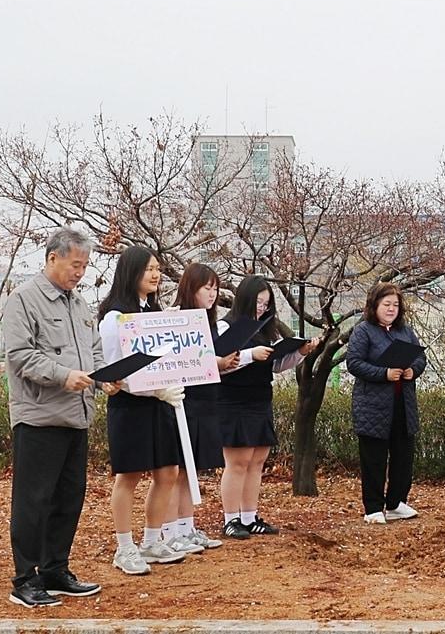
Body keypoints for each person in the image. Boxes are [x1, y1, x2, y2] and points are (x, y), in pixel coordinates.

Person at [4, 227, 110, 608]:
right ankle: (25, 578)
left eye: (84, 266)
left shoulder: (79, 304)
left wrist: (104, 379)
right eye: (75, 265)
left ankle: (55, 569)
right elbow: (20, 356)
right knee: (34, 500)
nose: (80, 273)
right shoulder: (24, 299)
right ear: (52, 257)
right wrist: (64, 376)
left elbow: (94, 351)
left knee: (69, 497)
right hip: (39, 417)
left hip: (76, 416)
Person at [96, 246, 193, 575]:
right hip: (130, 405)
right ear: (131, 272)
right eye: (149, 269)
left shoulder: (153, 312)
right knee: (130, 475)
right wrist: (155, 388)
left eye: (158, 269)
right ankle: (124, 547)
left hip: (160, 403)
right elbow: (117, 372)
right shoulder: (114, 318)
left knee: (167, 472)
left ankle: (152, 541)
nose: (156, 274)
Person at [216, 275, 319, 538]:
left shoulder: (265, 329)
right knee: (237, 461)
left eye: (266, 304)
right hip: (234, 400)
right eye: (258, 302)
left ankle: (249, 517)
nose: (262, 308)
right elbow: (219, 365)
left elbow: (275, 365)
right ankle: (231, 519)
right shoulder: (226, 326)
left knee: (257, 460)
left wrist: (300, 353)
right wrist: (251, 355)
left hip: (260, 398)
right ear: (245, 299)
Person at [168, 262, 237, 550]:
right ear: (190, 288)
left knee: (191, 470)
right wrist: (215, 363)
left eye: (215, 289)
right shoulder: (176, 319)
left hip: (208, 399)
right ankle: (169, 531)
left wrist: (227, 363)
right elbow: (179, 360)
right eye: (207, 288)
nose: (212, 294)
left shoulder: (211, 324)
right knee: (177, 471)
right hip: (184, 401)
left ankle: (186, 527)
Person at [347, 282, 427, 524]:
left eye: (395, 305)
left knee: (403, 456)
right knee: (374, 459)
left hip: (403, 403)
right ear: (375, 305)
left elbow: (420, 357)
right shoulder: (363, 331)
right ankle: (373, 507)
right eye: (386, 304)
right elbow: (354, 363)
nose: (391, 309)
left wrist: (413, 370)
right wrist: (384, 373)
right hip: (373, 406)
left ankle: (396, 503)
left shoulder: (405, 331)